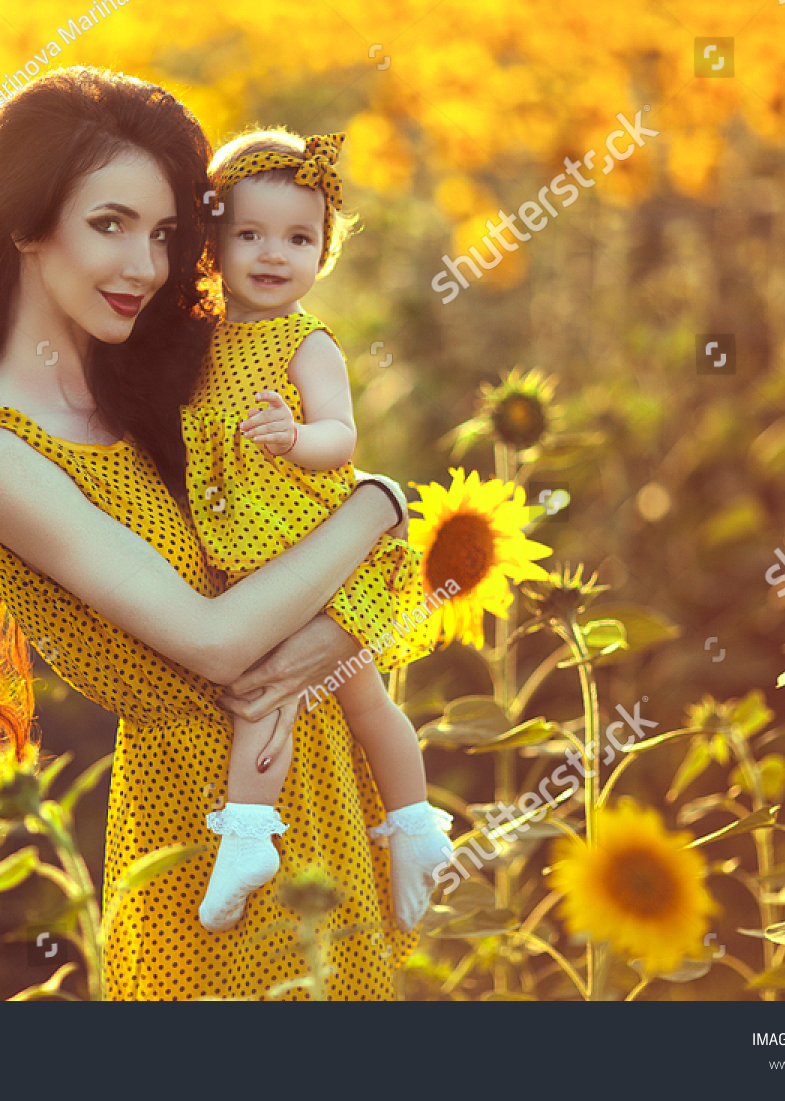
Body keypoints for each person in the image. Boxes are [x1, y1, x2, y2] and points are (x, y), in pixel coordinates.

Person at [0, 66, 421, 1000]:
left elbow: (296, 521)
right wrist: (385, 507)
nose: (146, 269)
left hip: (309, 778)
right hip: (202, 832)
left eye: (163, 235)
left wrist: (341, 610)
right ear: (28, 222)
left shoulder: (156, 368)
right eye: (108, 225)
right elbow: (217, 642)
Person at [184, 128, 454, 935]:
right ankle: (406, 835)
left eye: (299, 239)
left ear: (324, 252)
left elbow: (342, 437)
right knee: (290, 689)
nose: (275, 255)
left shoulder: (308, 342)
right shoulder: (204, 341)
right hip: (247, 557)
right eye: (251, 235)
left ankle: (367, 826)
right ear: (214, 245)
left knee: (343, 697)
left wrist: (294, 439)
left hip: (314, 548)